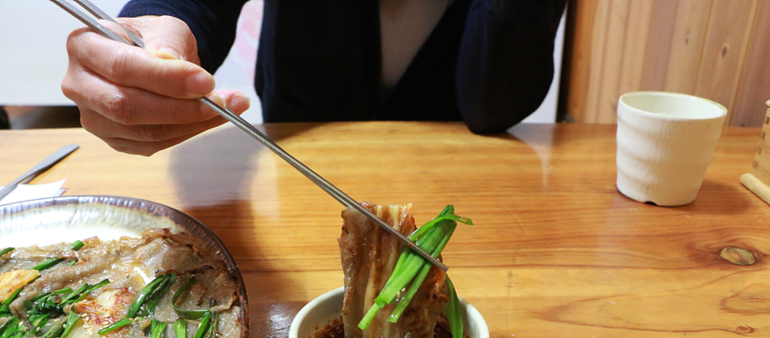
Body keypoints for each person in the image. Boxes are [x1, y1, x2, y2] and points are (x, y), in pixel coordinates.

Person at [62, 0, 566, 156]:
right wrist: (155, 28)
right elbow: (186, 6)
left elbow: (494, 106)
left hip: (467, 169)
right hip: (298, 149)